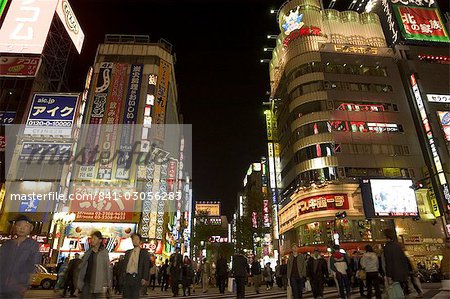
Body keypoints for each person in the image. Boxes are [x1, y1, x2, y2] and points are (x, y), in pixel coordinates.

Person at [0, 214, 41, 299]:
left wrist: (26, 286)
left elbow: (33, 265)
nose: (22, 228)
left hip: (17, 288)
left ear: (31, 228)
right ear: (15, 227)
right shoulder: (7, 244)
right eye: (19, 225)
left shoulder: (33, 245)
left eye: (25, 226)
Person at [77, 231, 112, 299]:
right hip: (87, 281)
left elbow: (107, 268)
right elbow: (82, 266)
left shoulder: (104, 252)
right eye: (92, 238)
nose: (92, 240)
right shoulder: (89, 252)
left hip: (98, 282)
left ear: (100, 240)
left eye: (94, 238)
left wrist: (109, 284)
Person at [122, 233, 150, 299]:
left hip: (137, 278)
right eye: (133, 239)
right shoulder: (128, 252)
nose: (135, 241)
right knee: (126, 296)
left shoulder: (144, 252)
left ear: (140, 241)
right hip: (127, 277)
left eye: (137, 239)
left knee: (135, 296)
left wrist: (145, 278)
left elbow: (146, 266)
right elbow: (124, 266)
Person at [382, 229, 409, 294]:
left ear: (386, 236)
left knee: (395, 292)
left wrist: (389, 275)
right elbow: (404, 260)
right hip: (402, 272)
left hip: (393, 273)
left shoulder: (387, 247)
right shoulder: (398, 245)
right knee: (401, 291)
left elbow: (388, 262)